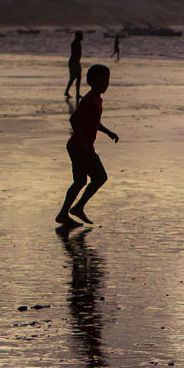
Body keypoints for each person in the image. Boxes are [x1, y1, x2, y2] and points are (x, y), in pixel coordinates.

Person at [57, 63, 119, 226]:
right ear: (93, 81)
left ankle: (64, 213)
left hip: (78, 146)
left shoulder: (97, 99)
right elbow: (74, 119)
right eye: (103, 80)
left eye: (108, 80)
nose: (106, 84)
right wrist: (83, 144)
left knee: (80, 181)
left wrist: (108, 132)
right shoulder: (90, 99)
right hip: (80, 147)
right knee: (100, 177)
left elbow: (93, 122)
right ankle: (77, 208)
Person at [64, 30, 83, 100]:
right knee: (75, 77)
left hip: (75, 62)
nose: (82, 37)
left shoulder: (76, 43)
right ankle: (76, 93)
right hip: (74, 62)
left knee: (75, 77)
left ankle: (69, 92)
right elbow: (75, 54)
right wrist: (76, 63)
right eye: (81, 35)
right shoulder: (76, 43)